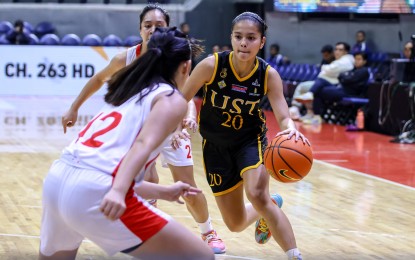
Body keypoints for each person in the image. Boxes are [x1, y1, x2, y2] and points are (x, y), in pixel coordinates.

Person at [61, 3, 226, 254]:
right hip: (140, 131)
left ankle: (208, 231)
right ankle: (148, 231)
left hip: (172, 128)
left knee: (188, 188)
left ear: (167, 29)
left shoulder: (175, 60)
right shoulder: (126, 58)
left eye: (158, 26)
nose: (152, 30)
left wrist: (188, 118)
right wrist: (74, 107)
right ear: (139, 30)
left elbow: (186, 96)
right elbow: (98, 80)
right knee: (145, 177)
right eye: (147, 26)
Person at [180, 12, 309, 260]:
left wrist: (290, 128)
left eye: (251, 38)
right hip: (215, 146)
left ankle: (294, 255)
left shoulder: (268, 75)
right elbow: (180, 99)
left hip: (249, 141)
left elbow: (283, 115)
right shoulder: (211, 65)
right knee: (235, 224)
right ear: (231, 38)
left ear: (261, 42)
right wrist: (179, 123)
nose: (243, 43)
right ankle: (270, 205)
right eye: (239, 37)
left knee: (257, 195)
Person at [295, 42, 355, 124]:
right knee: (305, 86)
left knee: (317, 89)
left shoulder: (347, 60)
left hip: (340, 87)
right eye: (336, 49)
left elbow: (330, 70)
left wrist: (324, 68)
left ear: (346, 52)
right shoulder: (337, 60)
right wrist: (327, 69)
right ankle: (308, 111)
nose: (337, 51)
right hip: (328, 82)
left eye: (340, 50)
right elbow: (328, 71)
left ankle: (314, 113)